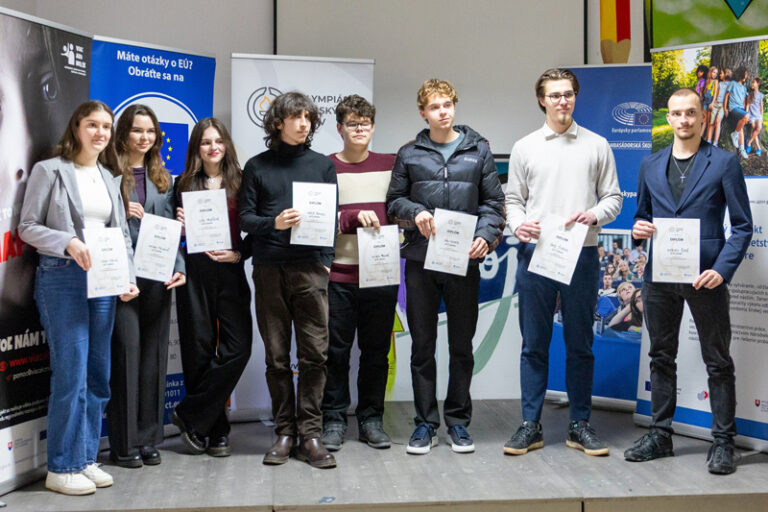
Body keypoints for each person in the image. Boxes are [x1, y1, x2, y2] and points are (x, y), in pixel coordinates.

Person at [624, 88, 752, 475]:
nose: (684, 120)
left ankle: (723, 442)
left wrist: (722, 270)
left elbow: (742, 226)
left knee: (718, 361)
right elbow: (641, 216)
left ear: (702, 116)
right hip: (660, 276)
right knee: (661, 357)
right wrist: (638, 229)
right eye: (677, 113)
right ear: (669, 118)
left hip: (706, 277)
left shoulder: (724, 162)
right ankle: (660, 435)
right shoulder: (650, 164)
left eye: (691, 113)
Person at [18, 100, 139, 495]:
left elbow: (120, 234)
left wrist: (127, 276)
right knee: (71, 374)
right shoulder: (50, 170)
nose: (100, 132)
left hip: (104, 282)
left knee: (97, 375)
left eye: (106, 126)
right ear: (76, 127)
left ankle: (85, 458)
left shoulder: (108, 176)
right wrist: (67, 241)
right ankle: (61, 466)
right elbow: (27, 226)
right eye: (92, 124)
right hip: (62, 278)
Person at [505, 68, 622, 457]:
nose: (562, 101)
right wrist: (518, 225)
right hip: (535, 254)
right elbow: (513, 200)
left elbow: (613, 198)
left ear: (576, 96)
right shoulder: (525, 147)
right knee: (533, 344)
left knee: (580, 344)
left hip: (582, 254)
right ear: (542, 100)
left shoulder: (597, 145)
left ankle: (579, 424)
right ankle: (530, 424)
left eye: (568, 94)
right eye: (554, 95)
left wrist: (595, 214)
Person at [386, 78, 505, 455]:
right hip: (420, 262)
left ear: (455, 106)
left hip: (463, 260)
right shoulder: (409, 153)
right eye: (435, 106)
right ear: (423, 113)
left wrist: (485, 235)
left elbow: (494, 204)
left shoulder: (478, 150)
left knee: (461, 346)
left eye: (448, 104)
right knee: (422, 346)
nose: (443, 112)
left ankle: (457, 422)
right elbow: (393, 203)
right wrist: (415, 212)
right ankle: (425, 424)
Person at [240, 92, 338, 469]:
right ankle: (285, 432)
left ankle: (310, 435)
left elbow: (330, 218)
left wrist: (326, 263)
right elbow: (245, 219)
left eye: (309, 118)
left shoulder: (322, 166)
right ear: (278, 121)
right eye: (296, 117)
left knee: (315, 355)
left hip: (311, 270)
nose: (304, 124)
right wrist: (274, 223)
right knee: (277, 357)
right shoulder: (257, 166)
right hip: (268, 270)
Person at [107, 104, 186, 468]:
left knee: (154, 359)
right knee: (127, 355)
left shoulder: (163, 178)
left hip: (158, 276)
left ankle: (149, 438)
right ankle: (124, 445)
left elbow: (171, 230)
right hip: (121, 278)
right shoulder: (107, 175)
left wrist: (179, 266)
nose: (144, 137)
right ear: (124, 133)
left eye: (150, 131)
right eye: (137, 130)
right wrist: (121, 213)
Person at [171, 118, 252, 459]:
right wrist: (179, 228)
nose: (213, 147)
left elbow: (258, 229)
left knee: (239, 348)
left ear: (226, 144)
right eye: (205, 142)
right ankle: (214, 430)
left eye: (218, 141)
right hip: (195, 272)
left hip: (231, 269)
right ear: (197, 148)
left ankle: (189, 412)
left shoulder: (242, 181)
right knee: (198, 350)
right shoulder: (183, 183)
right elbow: (171, 234)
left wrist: (239, 254)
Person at [320, 95, 398, 452]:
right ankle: (334, 419)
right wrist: (349, 219)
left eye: (365, 123)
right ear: (340, 128)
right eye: (352, 123)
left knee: (376, 352)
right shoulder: (323, 167)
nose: (360, 129)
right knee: (335, 352)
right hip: (337, 276)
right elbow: (316, 218)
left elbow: (402, 207)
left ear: (373, 126)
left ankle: (371, 419)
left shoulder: (391, 165)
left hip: (380, 274)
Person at [724, 67, 750, 159]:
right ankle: (734, 134)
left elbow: (744, 101)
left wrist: (744, 112)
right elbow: (726, 96)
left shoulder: (744, 88)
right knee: (746, 116)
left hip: (741, 109)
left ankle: (742, 149)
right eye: (746, 74)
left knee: (741, 128)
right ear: (742, 74)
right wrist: (725, 108)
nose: (747, 76)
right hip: (733, 108)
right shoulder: (733, 83)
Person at [707, 68, 730, 147]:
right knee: (711, 122)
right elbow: (716, 93)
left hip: (722, 106)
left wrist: (726, 108)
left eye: (721, 73)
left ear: (726, 74)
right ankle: (708, 140)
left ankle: (715, 142)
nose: (720, 75)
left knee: (717, 121)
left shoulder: (729, 84)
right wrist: (713, 103)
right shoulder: (720, 83)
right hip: (716, 104)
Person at [745, 77, 764, 156]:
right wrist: (746, 115)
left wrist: (762, 117)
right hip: (751, 115)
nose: (752, 84)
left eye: (754, 82)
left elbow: (761, 107)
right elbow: (747, 105)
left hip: (758, 115)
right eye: (752, 82)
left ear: (758, 84)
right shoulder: (749, 94)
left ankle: (749, 142)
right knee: (754, 130)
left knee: (758, 128)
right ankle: (759, 149)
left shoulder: (760, 95)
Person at [701, 66, 718, 137]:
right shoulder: (707, 81)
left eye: (716, 73)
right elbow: (704, 92)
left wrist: (712, 103)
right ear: (710, 72)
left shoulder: (715, 81)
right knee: (704, 121)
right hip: (705, 102)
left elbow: (715, 93)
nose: (715, 74)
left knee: (709, 121)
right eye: (714, 72)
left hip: (710, 102)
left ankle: (707, 137)